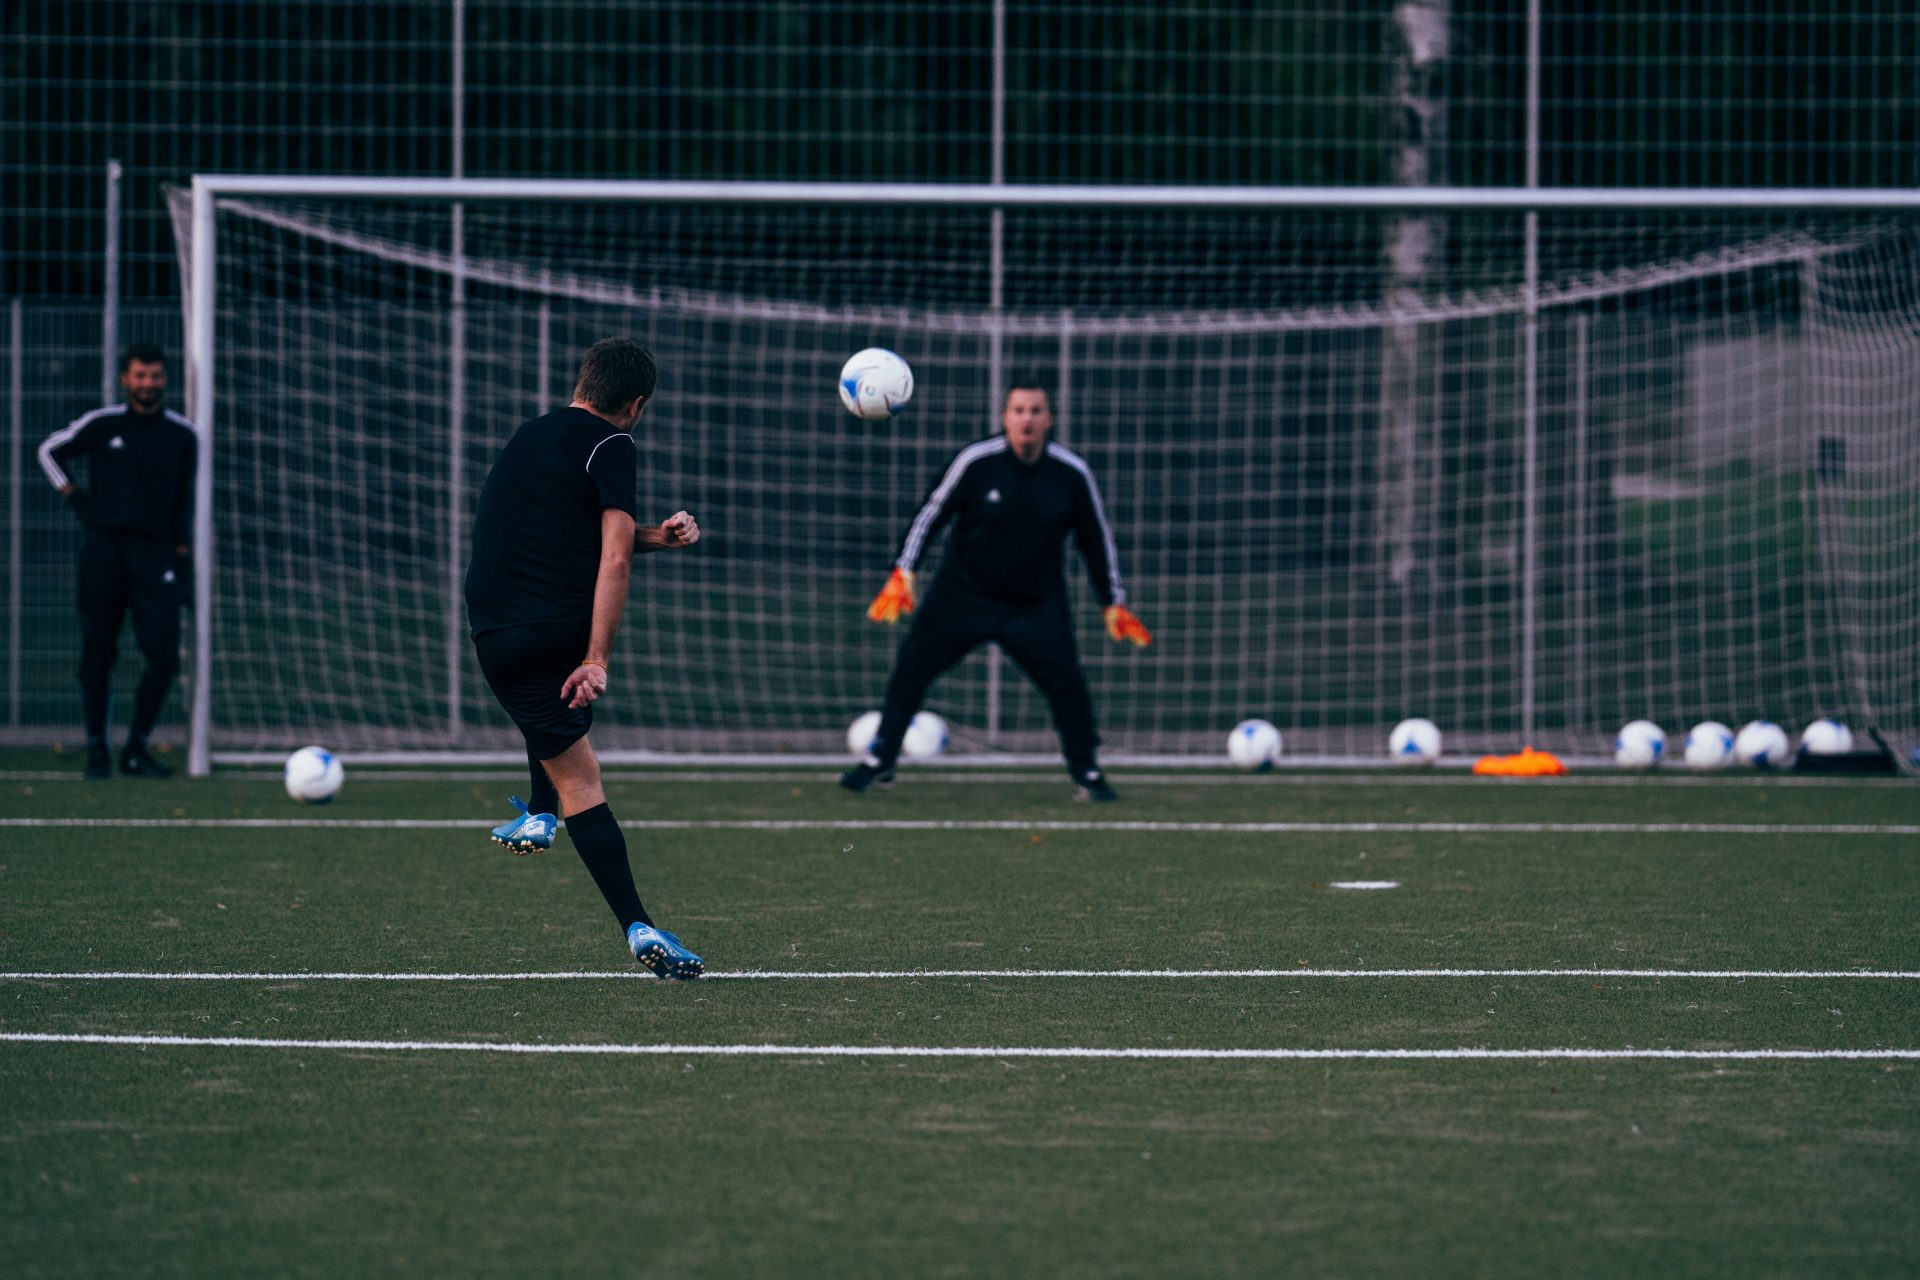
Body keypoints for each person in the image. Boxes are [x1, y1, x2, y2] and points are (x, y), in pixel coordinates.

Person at [464, 337, 706, 979]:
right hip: (555, 626)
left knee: (545, 712)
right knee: (583, 780)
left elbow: (579, 536)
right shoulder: (615, 443)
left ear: (581, 383)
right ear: (636, 403)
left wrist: (658, 534)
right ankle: (639, 925)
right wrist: (596, 657)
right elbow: (613, 557)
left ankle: (539, 816)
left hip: (492, 632)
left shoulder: (531, 435)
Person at [841, 381, 1152, 801]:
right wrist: (903, 571)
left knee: (1068, 685)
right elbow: (931, 513)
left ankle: (1087, 772)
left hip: (1036, 604)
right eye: (1019, 410)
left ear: (1049, 420)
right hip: (962, 595)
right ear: (1005, 417)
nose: (1027, 418)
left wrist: (1113, 601)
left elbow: (1096, 538)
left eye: (1036, 411)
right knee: (911, 669)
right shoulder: (977, 462)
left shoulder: (1070, 473)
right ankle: (881, 762)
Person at [37, 344, 196, 780]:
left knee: (163, 655)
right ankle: (97, 749)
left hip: (154, 554)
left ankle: (136, 748)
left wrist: (182, 562)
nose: (148, 383)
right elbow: (48, 451)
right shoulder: (102, 425)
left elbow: (184, 503)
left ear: (165, 379)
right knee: (97, 653)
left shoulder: (182, 435)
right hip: (104, 551)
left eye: (156, 375)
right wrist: (74, 498)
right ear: (125, 379)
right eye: (140, 376)